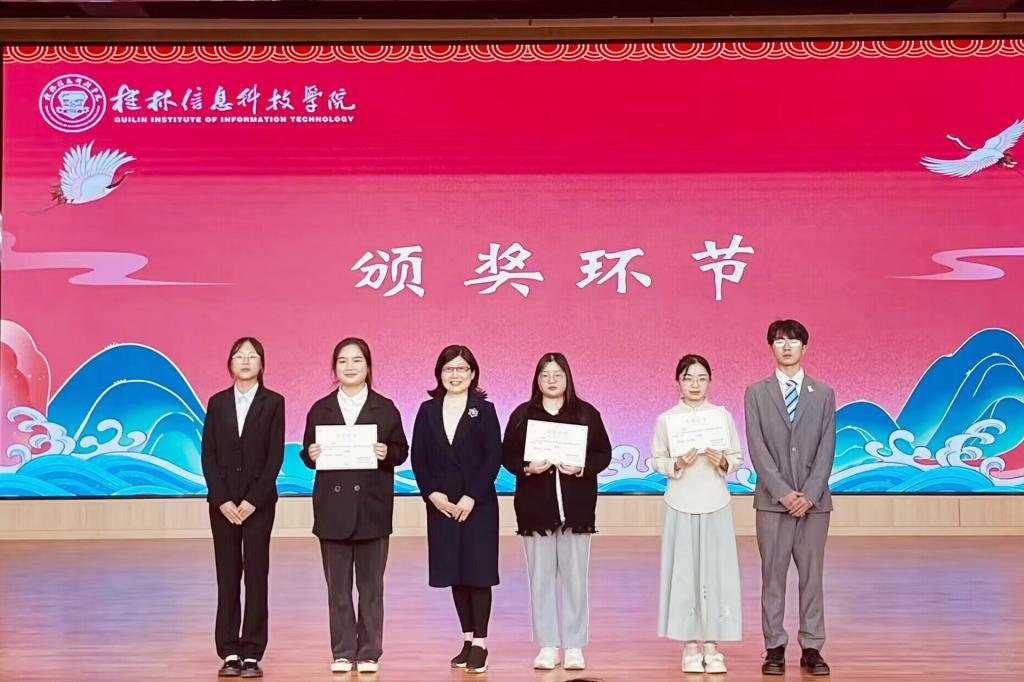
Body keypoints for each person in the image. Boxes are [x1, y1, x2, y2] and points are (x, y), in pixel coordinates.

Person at [299, 338, 408, 674]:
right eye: (343, 361)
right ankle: (343, 651)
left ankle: (370, 652)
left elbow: (401, 451)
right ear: (334, 368)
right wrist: (310, 455)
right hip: (332, 508)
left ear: (368, 366)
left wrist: (386, 453)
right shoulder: (321, 408)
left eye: (357, 360)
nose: (350, 366)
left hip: (372, 508)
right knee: (338, 589)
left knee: (371, 588)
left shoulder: (385, 407)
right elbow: (307, 452)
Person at [501, 352, 612, 671]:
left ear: (567, 378)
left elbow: (603, 453)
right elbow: (507, 455)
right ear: (537, 379)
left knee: (576, 580)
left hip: (576, 511)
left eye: (557, 375)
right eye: (545, 375)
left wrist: (582, 467)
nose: (551, 380)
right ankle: (547, 644)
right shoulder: (523, 415)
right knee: (541, 580)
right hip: (535, 511)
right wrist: (527, 467)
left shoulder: (586, 413)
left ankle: (574, 645)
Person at [744, 319, 835, 676]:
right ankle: (774, 647)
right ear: (771, 347)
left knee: (812, 578)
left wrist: (809, 494)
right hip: (772, 504)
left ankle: (812, 647)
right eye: (779, 341)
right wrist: (783, 493)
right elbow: (757, 448)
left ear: (804, 347)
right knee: (773, 577)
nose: (786, 346)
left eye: (793, 341)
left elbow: (827, 448)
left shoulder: (823, 393)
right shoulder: (756, 393)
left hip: (815, 505)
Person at [410, 345, 503, 674]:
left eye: (462, 369)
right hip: (442, 505)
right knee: (455, 573)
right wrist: (432, 494)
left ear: (472, 373)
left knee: (478, 574)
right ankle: (466, 639)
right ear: (439, 373)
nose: (455, 375)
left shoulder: (485, 410)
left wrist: (471, 496)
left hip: (477, 505)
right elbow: (418, 457)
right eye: (448, 369)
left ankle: (481, 643)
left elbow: (493, 456)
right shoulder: (427, 410)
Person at [651, 354, 743, 674]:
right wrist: (676, 463)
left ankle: (713, 645)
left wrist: (723, 461)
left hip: (716, 501)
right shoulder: (667, 420)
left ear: (710, 382)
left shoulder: (721, 416)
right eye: (688, 378)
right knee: (684, 574)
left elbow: (736, 457)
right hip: (680, 502)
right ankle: (690, 645)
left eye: (702, 378)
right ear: (678, 381)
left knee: (716, 573)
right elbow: (657, 460)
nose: (695, 384)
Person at [201, 337, 285, 679]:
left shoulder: (274, 402)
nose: (246, 361)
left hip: (258, 504)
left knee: (256, 574)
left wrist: (253, 500)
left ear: (262, 364)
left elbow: (274, 456)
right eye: (239, 356)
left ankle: (252, 651)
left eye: (252, 356)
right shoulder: (217, 402)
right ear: (230, 364)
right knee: (227, 575)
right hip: (222, 504)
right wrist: (221, 499)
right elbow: (208, 455)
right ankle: (229, 651)